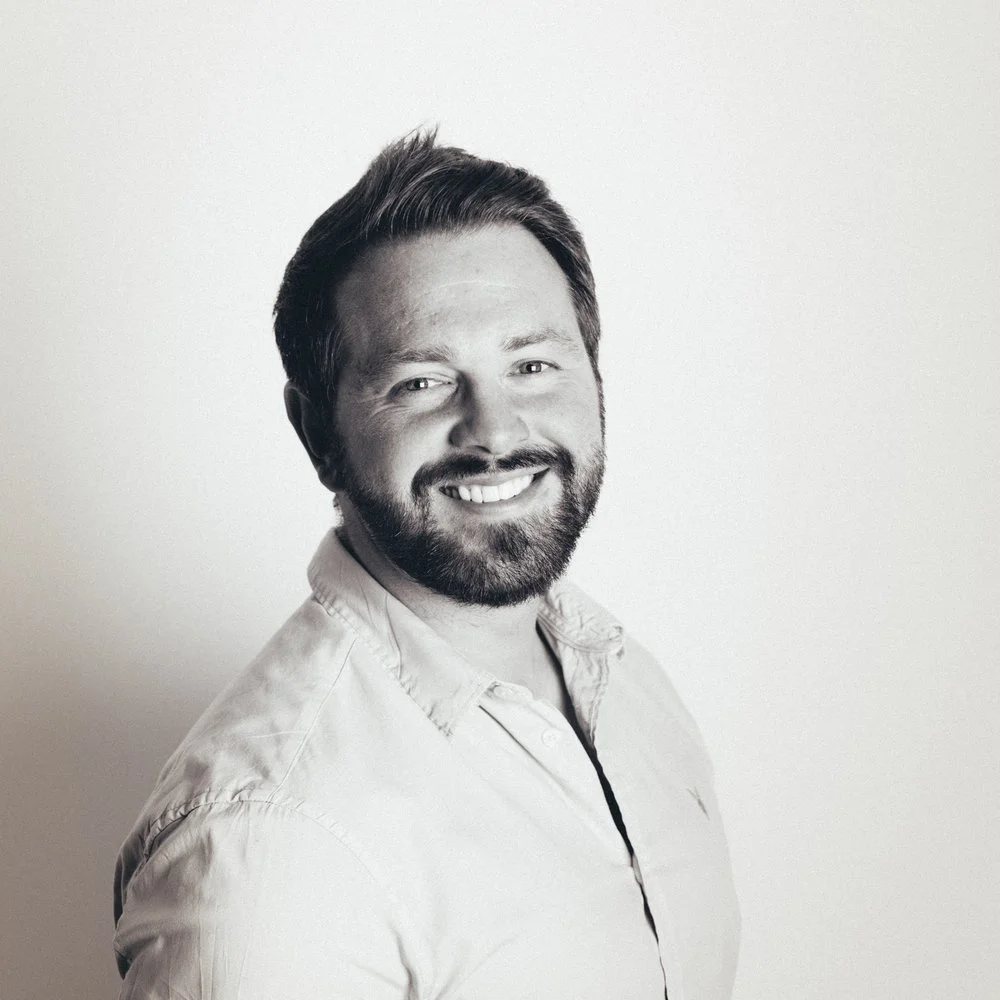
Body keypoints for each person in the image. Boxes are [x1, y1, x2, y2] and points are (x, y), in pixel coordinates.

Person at [112, 131, 740, 1000]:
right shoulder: (272, 850)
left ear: (594, 380)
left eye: (533, 364)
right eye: (422, 382)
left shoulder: (622, 677)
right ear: (318, 434)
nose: (495, 430)